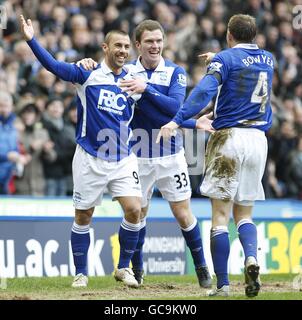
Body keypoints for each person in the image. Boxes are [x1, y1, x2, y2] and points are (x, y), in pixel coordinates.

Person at [78, 19, 213, 288]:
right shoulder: (125, 71)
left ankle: (201, 268)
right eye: (149, 41)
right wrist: (86, 62)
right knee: (138, 213)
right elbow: (99, 78)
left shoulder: (175, 72)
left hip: (171, 154)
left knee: (183, 213)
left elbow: (174, 107)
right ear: (137, 45)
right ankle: (137, 271)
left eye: (159, 41)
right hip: (137, 155)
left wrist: (147, 92)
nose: (155, 46)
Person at [20, 15, 143, 288]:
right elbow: (52, 66)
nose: (123, 50)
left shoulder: (135, 82)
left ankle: (123, 267)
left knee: (135, 210)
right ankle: (81, 273)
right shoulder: (87, 74)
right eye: (118, 46)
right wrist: (31, 40)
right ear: (105, 47)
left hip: (123, 157)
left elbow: (158, 107)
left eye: (126, 46)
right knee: (83, 216)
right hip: (90, 157)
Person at [157, 14, 274, 297]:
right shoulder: (268, 59)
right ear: (254, 35)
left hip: (229, 139)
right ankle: (251, 258)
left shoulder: (225, 59)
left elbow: (204, 91)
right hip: (258, 139)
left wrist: (177, 119)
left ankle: (222, 285)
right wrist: (219, 59)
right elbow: (243, 70)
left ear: (229, 35)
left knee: (220, 216)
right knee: (244, 213)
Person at [0, 90, 31, 194]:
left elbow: (15, 148)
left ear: (11, 107)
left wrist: (19, 157)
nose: (3, 110)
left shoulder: (14, 126)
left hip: (8, 178)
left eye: (6, 106)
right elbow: (8, 154)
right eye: (1, 106)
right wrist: (6, 156)